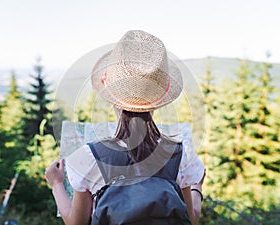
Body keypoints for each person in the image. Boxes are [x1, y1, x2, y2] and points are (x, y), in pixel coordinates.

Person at [45, 30, 206, 225]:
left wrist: (56, 184)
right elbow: (191, 219)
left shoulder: (89, 158)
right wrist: (196, 185)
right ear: (159, 101)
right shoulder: (181, 156)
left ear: (111, 96)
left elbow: (76, 223)